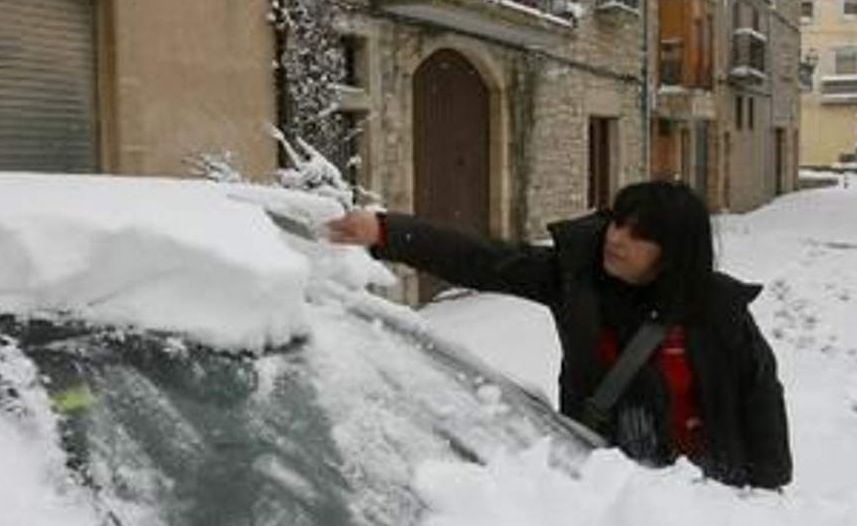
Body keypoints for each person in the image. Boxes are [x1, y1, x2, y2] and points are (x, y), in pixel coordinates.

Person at [327, 180, 791, 489]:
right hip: (610, 496)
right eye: (618, 222)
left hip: (712, 496)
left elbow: (760, 394)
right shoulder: (575, 281)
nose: (617, 238)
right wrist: (384, 231)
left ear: (673, 253)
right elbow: (482, 259)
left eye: (639, 235)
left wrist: (767, 488)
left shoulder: (717, 309)